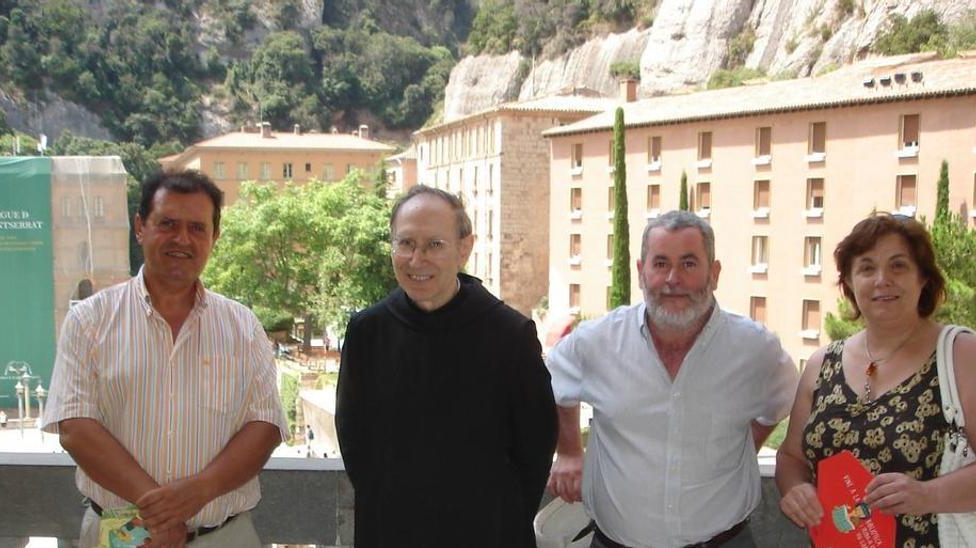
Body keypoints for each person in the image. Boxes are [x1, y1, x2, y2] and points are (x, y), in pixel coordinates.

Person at [43, 170, 287, 548]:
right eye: (168, 224)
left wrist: (200, 490)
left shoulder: (243, 326)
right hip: (124, 536)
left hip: (224, 537)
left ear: (214, 237)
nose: (182, 239)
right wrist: (161, 512)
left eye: (197, 228)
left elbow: (265, 425)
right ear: (140, 227)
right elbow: (75, 426)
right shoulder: (90, 320)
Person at [774, 213, 976, 545]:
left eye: (898, 266)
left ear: (923, 278)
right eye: (867, 268)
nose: (883, 279)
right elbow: (791, 457)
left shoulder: (958, 353)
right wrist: (796, 489)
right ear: (850, 283)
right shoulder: (822, 364)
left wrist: (927, 495)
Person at [546, 210, 799, 548]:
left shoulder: (755, 350)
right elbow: (555, 384)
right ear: (641, 271)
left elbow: (785, 405)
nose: (673, 279)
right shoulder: (597, 342)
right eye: (661, 263)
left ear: (715, 272)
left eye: (689, 264)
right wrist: (569, 451)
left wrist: (742, 447)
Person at [335, 184, 557, 547]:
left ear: (464, 248)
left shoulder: (510, 335)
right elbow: (355, 440)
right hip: (391, 531)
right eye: (405, 243)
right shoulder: (367, 331)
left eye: (434, 245)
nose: (416, 259)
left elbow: (534, 449)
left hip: (487, 533)